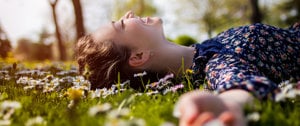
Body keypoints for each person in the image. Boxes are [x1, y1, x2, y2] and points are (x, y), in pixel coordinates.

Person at [75, 11, 300, 126]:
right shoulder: (216, 63)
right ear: (138, 56)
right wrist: (225, 106)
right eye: (121, 24)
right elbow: (240, 85)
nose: (129, 14)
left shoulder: (205, 48)